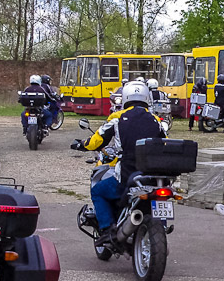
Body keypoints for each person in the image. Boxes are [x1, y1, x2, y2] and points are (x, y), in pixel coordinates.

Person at [71, 81, 166, 244]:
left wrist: (82, 144)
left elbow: (97, 140)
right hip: (153, 178)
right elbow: (166, 144)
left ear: (125, 97)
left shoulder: (117, 118)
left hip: (128, 175)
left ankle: (108, 230)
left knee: (98, 191)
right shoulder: (156, 120)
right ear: (146, 98)